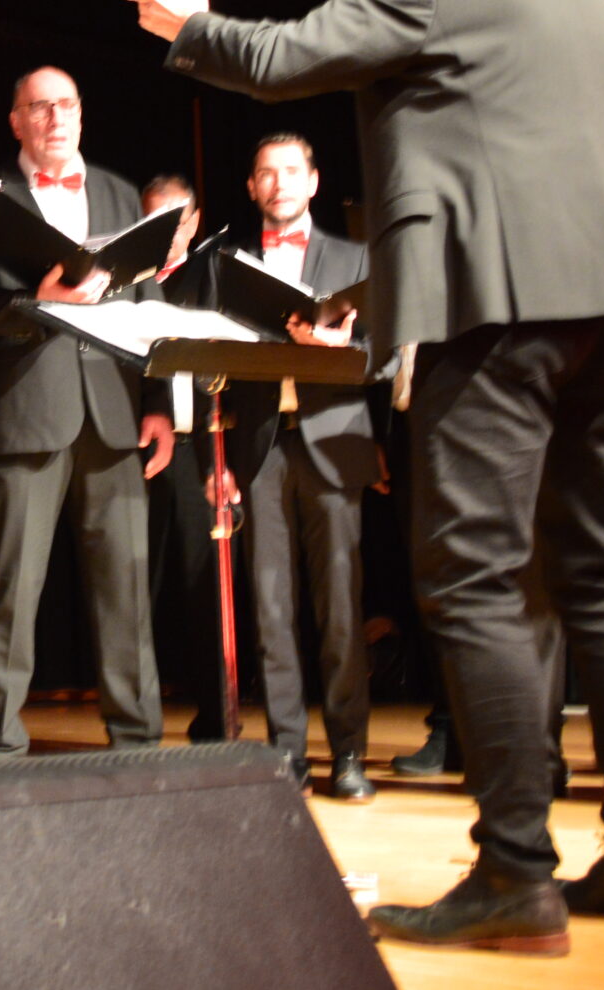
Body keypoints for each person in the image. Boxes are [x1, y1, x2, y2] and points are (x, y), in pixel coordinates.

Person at [127, 0, 604, 954]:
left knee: (472, 572)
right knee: (597, 573)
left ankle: (516, 875)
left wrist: (190, 26)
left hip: (500, 299)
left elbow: (291, 55)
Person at [0, 67, 174, 759]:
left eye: (66, 103)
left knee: (126, 588)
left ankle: (137, 740)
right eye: (39, 107)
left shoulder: (120, 193)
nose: (54, 117)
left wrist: (157, 404)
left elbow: (149, 303)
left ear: (81, 113)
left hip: (113, 411)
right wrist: (41, 306)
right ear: (16, 121)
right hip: (23, 413)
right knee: (10, 590)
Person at [217, 134, 381, 801]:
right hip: (258, 445)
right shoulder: (232, 264)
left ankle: (349, 754)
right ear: (252, 189)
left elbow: (389, 354)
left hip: (334, 440)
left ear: (313, 182)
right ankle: (287, 753)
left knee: (340, 607)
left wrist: (342, 348)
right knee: (271, 608)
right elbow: (213, 369)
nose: (279, 182)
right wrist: (215, 459)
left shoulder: (354, 256)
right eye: (265, 173)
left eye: (291, 171)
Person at [139, 173, 230, 743]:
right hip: (140, 450)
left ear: (194, 222)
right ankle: (137, 718)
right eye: (154, 220)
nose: (166, 232)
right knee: (135, 586)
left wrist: (229, 456)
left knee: (205, 592)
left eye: (176, 219)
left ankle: (218, 716)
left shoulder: (215, 274)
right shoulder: (126, 280)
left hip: (202, 448)